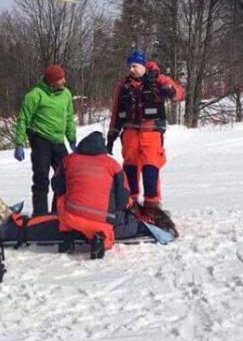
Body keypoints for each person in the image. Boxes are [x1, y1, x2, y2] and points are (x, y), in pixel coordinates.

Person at [107, 49, 184, 210]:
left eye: (134, 66)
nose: (131, 69)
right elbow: (116, 110)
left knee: (151, 167)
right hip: (129, 132)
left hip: (151, 131)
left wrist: (170, 92)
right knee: (130, 168)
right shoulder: (123, 85)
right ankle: (131, 202)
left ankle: (152, 204)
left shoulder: (158, 79)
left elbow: (179, 93)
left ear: (143, 66)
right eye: (129, 67)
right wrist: (112, 133)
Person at [52, 130, 130, 259]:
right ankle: (101, 240)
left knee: (61, 197)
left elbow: (56, 186)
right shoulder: (113, 165)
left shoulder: (68, 160)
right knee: (106, 232)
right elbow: (123, 197)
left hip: (71, 217)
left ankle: (67, 235)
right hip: (101, 220)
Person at [14, 64, 77, 215]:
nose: (63, 81)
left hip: (58, 140)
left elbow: (69, 118)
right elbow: (23, 118)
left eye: (63, 77)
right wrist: (19, 143)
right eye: (60, 79)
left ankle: (58, 211)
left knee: (66, 176)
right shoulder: (35, 95)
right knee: (41, 177)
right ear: (51, 82)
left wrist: (72, 139)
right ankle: (40, 214)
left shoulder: (66, 94)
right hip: (41, 140)